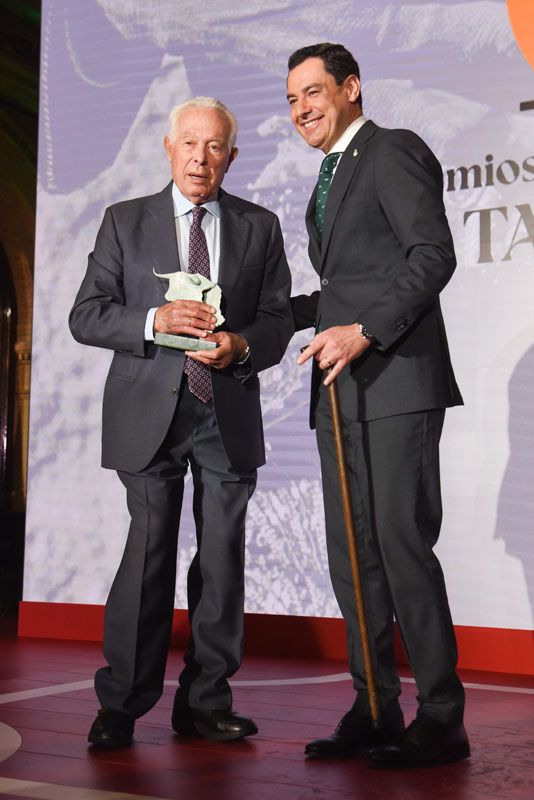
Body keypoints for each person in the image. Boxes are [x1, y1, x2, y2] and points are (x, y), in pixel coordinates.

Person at [69, 96, 293, 748]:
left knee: (222, 560)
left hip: (225, 409)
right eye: (190, 143)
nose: (201, 157)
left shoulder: (260, 226)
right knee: (149, 554)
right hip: (149, 412)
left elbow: (277, 320)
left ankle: (205, 701)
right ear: (168, 148)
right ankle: (122, 704)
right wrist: (152, 322)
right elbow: (86, 315)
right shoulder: (124, 222)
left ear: (231, 155)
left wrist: (242, 345)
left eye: (215, 145)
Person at [286, 43, 469, 768]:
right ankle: (373, 708)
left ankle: (442, 717)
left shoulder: (392, 150)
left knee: (400, 547)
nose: (302, 108)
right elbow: (341, 290)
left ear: (352, 86)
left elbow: (432, 254)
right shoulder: (325, 180)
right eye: (292, 97)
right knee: (352, 558)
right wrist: (260, 314)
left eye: (314, 91)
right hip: (339, 395)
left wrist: (364, 331)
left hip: (396, 383)